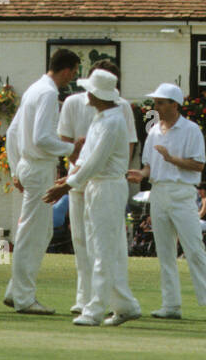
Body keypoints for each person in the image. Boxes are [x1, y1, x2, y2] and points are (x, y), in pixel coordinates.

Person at [46, 69, 141, 327]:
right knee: (104, 248)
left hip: (108, 187)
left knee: (102, 249)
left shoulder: (113, 122)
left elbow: (96, 163)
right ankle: (126, 305)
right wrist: (68, 179)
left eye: (90, 90)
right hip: (96, 188)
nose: (86, 94)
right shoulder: (101, 118)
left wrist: (68, 186)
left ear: (98, 94)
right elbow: (85, 159)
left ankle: (95, 309)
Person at [126, 82, 206, 321]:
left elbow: (198, 164)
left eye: (160, 102)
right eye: (155, 102)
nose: (155, 106)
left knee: (194, 249)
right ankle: (171, 305)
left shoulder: (191, 130)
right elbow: (149, 165)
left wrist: (171, 159)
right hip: (158, 193)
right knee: (165, 251)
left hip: (182, 193)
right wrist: (142, 174)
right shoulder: (153, 132)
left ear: (174, 104)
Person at [3, 49, 80, 315]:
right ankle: (24, 297)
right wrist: (71, 149)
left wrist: (15, 169)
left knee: (40, 231)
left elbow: (12, 132)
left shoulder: (34, 89)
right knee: (33, 233)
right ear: (68, 70)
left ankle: (16, 290)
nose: (74, 77)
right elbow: (41, 139)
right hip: (37, 168)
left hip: (29, 166)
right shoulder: (47, 93)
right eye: (75, 72)